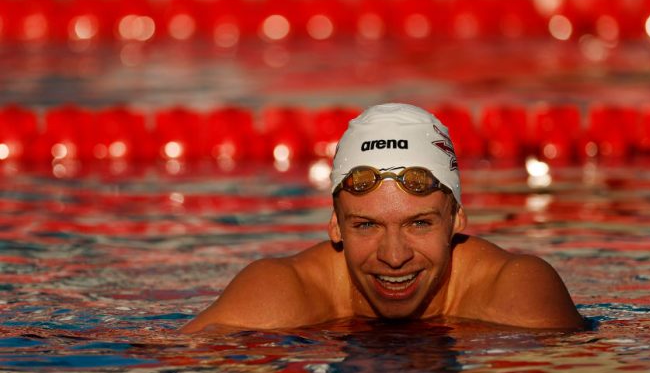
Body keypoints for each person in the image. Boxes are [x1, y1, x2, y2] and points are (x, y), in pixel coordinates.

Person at [181, 103, 584, 333]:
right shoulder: (280, 295)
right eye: (366, 225)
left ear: (457, 219)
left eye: (420, 223)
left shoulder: (514, 292)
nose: (393, 257)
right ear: (336, 225)